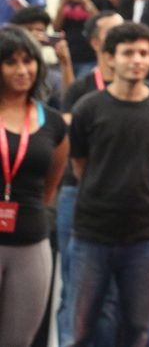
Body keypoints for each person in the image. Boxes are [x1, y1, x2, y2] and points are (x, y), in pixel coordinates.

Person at [66, 22, 149, 347]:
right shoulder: (87, 107)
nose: (137, 60)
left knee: (139, 331)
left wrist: (142, 194)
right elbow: (79, 166)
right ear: (109, 58)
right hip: (91, 234)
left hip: (143, 237)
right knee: (78, 331)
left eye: (143, 53)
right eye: (128, 52)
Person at [56, 10, 124, 347]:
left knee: (110, 297)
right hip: (78, 194)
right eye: (115, 33)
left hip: (121, 202)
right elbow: (72, 151)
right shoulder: (81, 89)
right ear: (97, 43)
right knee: (74, 290)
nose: (124, 37)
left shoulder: (143, 91)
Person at [0, 25, 69, 347]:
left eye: (28, 61)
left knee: (18, 341)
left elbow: (50, 186)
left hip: (31, 241)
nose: (22, 70)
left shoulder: (53, 122)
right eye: (11, 62)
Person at [53, 0, 109, 78]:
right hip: (69, 54)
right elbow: (56, 27)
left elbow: (103, 24)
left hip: (90, 57)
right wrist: (64, 2)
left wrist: (85, 1)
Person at [9, 5, 74, 108]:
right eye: (28, 31)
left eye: (39, 31)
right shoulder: (5, 65)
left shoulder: (49, 76)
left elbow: (69, 103)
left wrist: (65, 62)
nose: (34, 36)